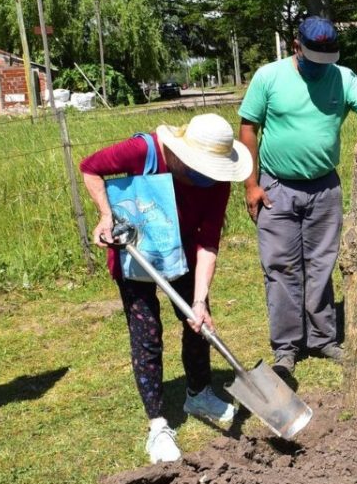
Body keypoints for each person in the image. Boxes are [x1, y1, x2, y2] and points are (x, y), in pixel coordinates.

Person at [79, 113, 253, 464]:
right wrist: (105, 214)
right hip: (136, 254)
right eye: (199, 169)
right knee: (147, 335)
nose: (206, 177)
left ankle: (198, 392)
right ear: (182, 154)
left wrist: (200, 300)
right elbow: (89, 167)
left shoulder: (217, 180)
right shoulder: (144, 152)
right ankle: (158, 424)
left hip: (184, 255)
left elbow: (208, 244)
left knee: (198, 324)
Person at [237, 16, 357, 374]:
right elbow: (248, 128)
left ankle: (323, 338)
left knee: (321, 265)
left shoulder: (342, 77)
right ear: (297, 47)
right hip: (276, 188)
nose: (320, 68)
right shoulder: (269, 77)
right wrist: (251, 183)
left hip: (324, 188)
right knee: (280, 268)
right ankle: (286, 346)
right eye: (313, 59)